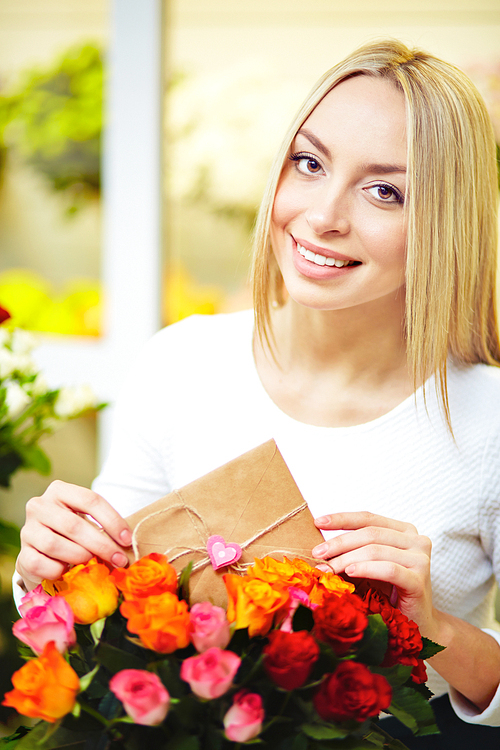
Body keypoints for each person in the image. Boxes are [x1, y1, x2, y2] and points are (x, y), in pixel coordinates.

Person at [13, 39, 500, 747]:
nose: (323, 214)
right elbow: (98, 626)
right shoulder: (181, 364)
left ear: (445, 223)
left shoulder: (488, 420)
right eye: (309, 163)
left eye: (385, 190)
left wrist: (435, 631)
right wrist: (48, 572)